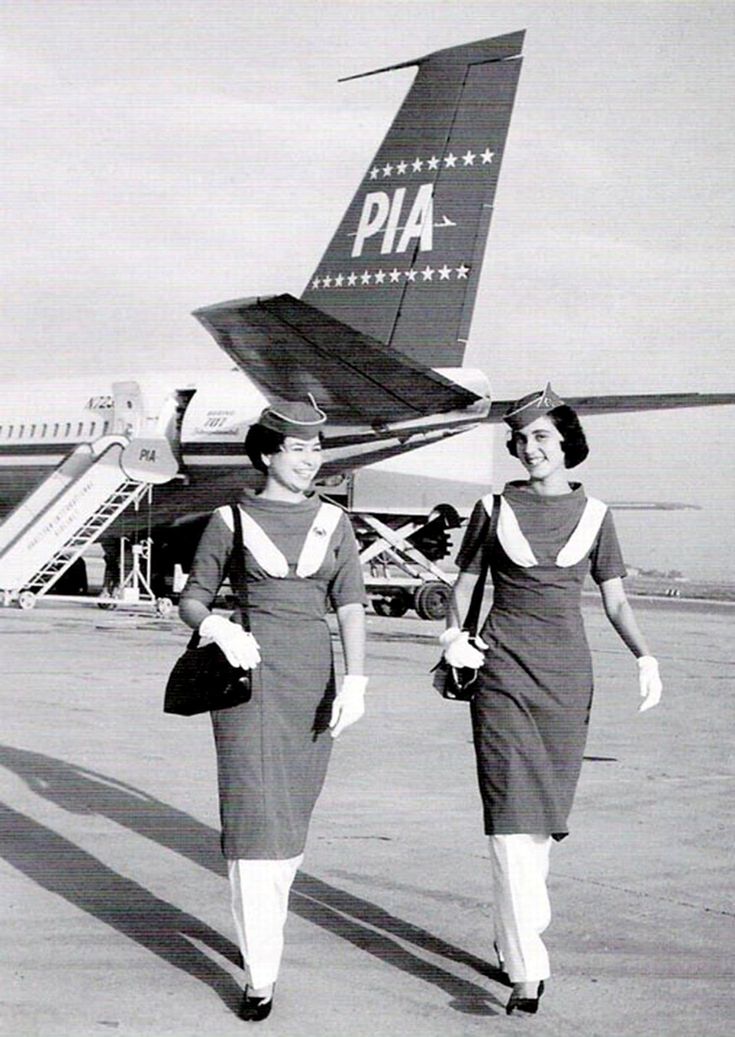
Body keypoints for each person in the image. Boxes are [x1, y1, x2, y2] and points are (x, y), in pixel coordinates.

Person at [441, 384, 662, 1016]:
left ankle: (512, 936)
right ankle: (529, 965)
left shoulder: (597, 516)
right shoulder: (491, 507)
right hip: (502, 673)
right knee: (511, 816)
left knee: (539, 822)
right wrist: (455, 637)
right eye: (520, 439)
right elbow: (464, 586)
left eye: (541, 437)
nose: (528, 448)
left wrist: (645, 656)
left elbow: (615, 599)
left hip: (567, 680)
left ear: (566, 442)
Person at [178, 398, 367, 1022]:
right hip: (249, 685)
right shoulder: (230, 519)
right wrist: (216, 630)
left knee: (290, 823)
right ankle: (261, 973)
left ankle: (265, 935)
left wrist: (358, 678)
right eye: (299, 449)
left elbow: (349, 607)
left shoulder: (334, 523)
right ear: (267, 455)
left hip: (314, 686)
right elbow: (192, 597)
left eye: (317, 449)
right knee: (253, 820)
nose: (311, 460)